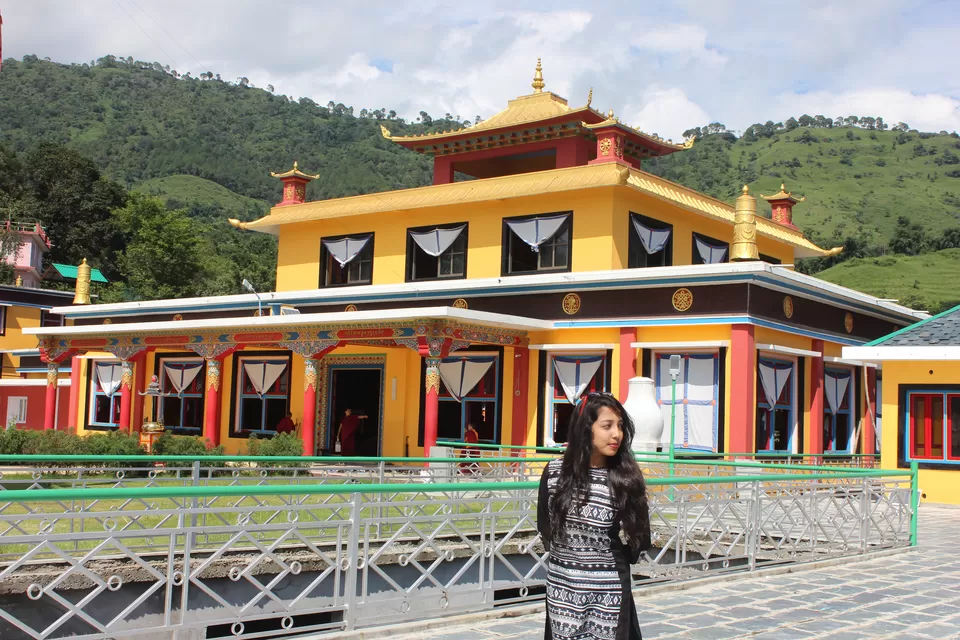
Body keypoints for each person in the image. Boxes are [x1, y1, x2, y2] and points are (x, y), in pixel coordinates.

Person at [538, 393, 651, 640]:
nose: (616, 435)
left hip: (608, 590)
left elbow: (639, 539)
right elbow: (545, 525)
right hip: (562, 587)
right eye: (607, 426)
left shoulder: (624, 478)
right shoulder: (554, 472)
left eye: (620, 426)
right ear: (586, 429)